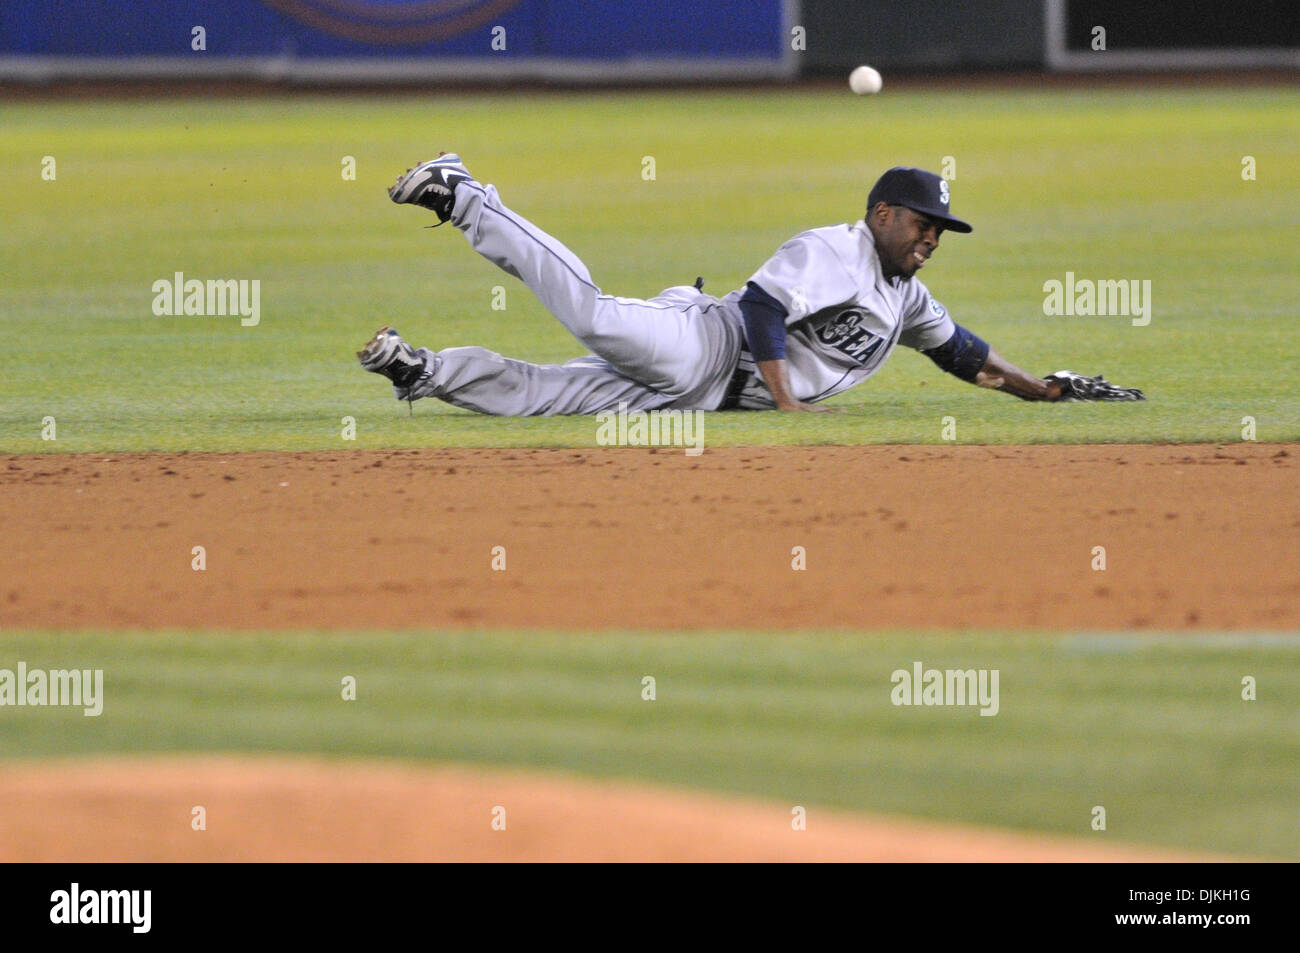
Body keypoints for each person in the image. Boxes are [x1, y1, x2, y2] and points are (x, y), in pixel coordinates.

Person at [358, 155, 1143, 414]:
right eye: (920, 222)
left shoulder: (906, 297)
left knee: (545, 397)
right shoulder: (838, 250)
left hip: (705, 395)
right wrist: (791, 404)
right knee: (595, 318)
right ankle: (466, 197)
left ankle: (422, 370)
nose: (932, 236)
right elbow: (764, 307)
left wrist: (1044, 390)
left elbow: (964, 354)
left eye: (939, 230)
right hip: (707, 341)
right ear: (880, 215)